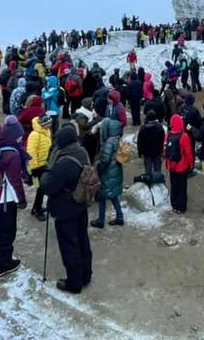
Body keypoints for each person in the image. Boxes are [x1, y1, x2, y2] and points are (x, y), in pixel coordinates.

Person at [40, 124, 94, 294]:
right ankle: (86, 275)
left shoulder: (64, 162)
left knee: (69, 245)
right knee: (82, 240)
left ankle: (74, 282)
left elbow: (48, 186)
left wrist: (45, 174)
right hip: (81, 202)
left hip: (66, 208)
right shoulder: (81, 152)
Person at [0, 115, 28, 279]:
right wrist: (21, 200)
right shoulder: (13, 154)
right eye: (19, 136)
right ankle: (3, 265)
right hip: (3, 200)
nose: (21, 138)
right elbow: (15, 181)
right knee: (7, 231)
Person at [91, 119, 124, 227]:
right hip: (115, 171)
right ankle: (119, 216)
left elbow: (105, 159)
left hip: (107, 172)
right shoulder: (117, 139)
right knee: (113, 195)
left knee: (101, 197)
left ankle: (100, 220)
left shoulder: (109, 142)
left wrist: (98, 168)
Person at [26, 114, 53, 221]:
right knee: (40, 189)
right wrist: (34, 168)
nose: (50, 125)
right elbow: (31, 153)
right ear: (43, 124)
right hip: (37, 167)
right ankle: (37, 210)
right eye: (48, 123)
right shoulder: (34, 135)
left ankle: (36, 208)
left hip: (44, 165)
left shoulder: (46, 132)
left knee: (41, 190)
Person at [165, 114, 194, 213]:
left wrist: (167, 164)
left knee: (174, 186)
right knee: (182, 187)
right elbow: (188, 152)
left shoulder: (168, 135)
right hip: (182, 166)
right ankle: (181, 207)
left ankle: (174, 205)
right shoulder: (184, 136)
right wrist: (191, 163)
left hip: (171, 166)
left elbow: (165, 151)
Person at [137, 109, 165, 177]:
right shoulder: (159, 127)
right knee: (157, 168)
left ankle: (149, 181)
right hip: (157, 151)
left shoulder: (143, 128)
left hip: (147, 152)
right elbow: (162, 139)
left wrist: (140, 152)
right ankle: (158, 181)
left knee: (148, 169)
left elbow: (139, 142)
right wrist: (162, 150)